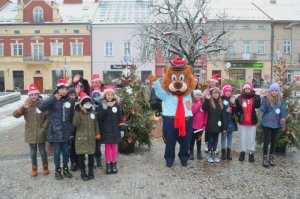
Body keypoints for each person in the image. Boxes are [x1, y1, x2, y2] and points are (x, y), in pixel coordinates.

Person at [38, 78, 77, 180]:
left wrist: (72, 128)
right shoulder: (52, 100)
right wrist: (53, 98)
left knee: (66, 152)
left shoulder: (71, 101)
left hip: (66, 131)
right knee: (56, 153)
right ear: (58, 89)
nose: (64, 91)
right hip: (56, 132)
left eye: (66, 89)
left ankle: (65, 168)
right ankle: (57, 170)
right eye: (62, 89)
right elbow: (41, 108)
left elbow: (73, 116)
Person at [13, 83, 49, 177]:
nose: (34, 96)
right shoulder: (26, 105)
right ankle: (34, 169)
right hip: (30, 132)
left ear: (38, 95)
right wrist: (23, 108)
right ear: (29, 95)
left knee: (42, 151)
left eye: (35, 94)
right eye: (32, 95)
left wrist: (44, 127)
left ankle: (45, 167)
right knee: (33, 152)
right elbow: (15, 115)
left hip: (41, 132)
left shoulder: (43, 105)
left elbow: (48, 117)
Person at [73, 92, 100, 180]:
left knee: (91, 156)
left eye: (89, 103)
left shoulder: (93, 112)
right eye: (86, 103)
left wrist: (97, 134)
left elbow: (96, 124)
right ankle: (83, 171)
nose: (88, 105)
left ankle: (91, 170)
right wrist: (77, 111)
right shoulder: (79, 113)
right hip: (81, 139)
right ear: (82, 104)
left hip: (91, 138)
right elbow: (75, 124)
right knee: (81, 156)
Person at [97, 86, 124, 174]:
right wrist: (105, 108)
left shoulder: (116, 105)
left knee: (114, 148)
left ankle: (114, 164)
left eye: (111, 95)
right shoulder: (102, 104)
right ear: (105, 95)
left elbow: (120, 118)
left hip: (115, 130)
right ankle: (108, 165)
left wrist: (121, 129)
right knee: (107, 148)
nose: (110, 96)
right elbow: (99, 117)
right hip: (106, 130)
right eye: (108, 94)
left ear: (113, 96)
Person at [260, 83, 287, 167]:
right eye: (273, 90)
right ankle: (265, 158)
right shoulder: (266, 99)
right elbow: (262, 109)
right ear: (270, 91)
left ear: (278, 91)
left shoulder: (281, 101)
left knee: (273, 141)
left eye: (276, 90)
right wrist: (264, 101)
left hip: (276, 124)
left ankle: (271, 157)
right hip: (266, 123)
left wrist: (282, 124)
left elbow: (283, 113)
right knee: (267, 140)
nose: (274, 92)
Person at [235, 82, 261, 163]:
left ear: (251, 89)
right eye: (245, 88)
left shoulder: (256, 98)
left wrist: (258, 97)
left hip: (252, 121)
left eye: (248, 88)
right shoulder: (239, 98)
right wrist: (239, 115)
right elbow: (237, 109)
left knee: (252, 138)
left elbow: (258, 106)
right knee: (242, 138)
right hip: (243, 121)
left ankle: (251, 153)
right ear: (243, 89)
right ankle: (242, 152)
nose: (247, 90)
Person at [202, 87, 227, 163]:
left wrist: (224, 127)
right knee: (210, 140)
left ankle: (214, 153)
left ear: (219, 94)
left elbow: (224, 115)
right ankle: (209, 153)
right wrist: (206, 99)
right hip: (210, 124)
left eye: (217, 93)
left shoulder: (221, 102)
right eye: (214, 93)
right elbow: (204, 108)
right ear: (211, 94)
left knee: (216, 140)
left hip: (218, 124)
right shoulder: (209, 102)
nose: (215, 94)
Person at [202, 74, 220, 153]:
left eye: (213, 82)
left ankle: (215, 145)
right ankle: (207, 143)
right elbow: (202, 99)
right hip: (207, 111)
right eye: (211, 82)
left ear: (216, 83)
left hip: (215, 111)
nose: (212, 83)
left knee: (215, 128)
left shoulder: (218, 90)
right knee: (207, 128)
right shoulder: (206, 90)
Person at [220, 85, 237, 160]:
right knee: (223, 137)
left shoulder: (232, 99)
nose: (228, 93)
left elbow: (236, 109)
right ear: (224, 92)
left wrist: (235, 105)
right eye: (226, 91)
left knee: (230, 137)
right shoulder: (221, 99)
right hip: (224, 120)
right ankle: (223, 153)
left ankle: (228, 153)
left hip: (231, 120)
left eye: (229, 91)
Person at [190, 89, 207, 160]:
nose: (198, 96)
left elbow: (206, 114)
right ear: (194, 95)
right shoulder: (192, 103)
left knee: (199, 140)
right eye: (197, 95)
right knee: (192, 140)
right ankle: (191, 152)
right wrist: (199, 105)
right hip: (193, 125)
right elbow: (192, 112)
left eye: (200, 95)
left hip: (200, 126)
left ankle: (199, 152)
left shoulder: (203, 103)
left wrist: (205, 124)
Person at [91, 87, 103, 169]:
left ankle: (98, 158)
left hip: (100, 128)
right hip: (92, 128)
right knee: (92, 144)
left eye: (98, 95)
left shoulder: (102, 104)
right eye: (94, 95)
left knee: (98, 145)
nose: (96, 97)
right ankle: (92, 159)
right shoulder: (90, 105)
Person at [68, 87, 78, 171]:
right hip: (71, 128)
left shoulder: (78, 103)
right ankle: (72, 162)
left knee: (78, 146)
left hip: (78, 128)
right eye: (71, 95)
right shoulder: (67, 104)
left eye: (74, 95)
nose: (73, 96)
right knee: (72, 147)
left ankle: (79, 161)